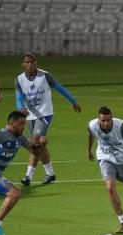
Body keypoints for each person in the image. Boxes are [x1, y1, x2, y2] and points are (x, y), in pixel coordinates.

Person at [15, 53, 81, 186]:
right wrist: (21, 108)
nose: (29, 65)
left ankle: (28, 176)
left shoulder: (44, 76)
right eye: (26, 63)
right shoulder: (19, 80)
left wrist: (73, 101)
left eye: (31, 62)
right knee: (40, 144)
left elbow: (59, 88)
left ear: (35, 63)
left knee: (34, 142)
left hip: (45, 114)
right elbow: (18, 97)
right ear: (23, 65)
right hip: (31, 116)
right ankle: (50, 174)